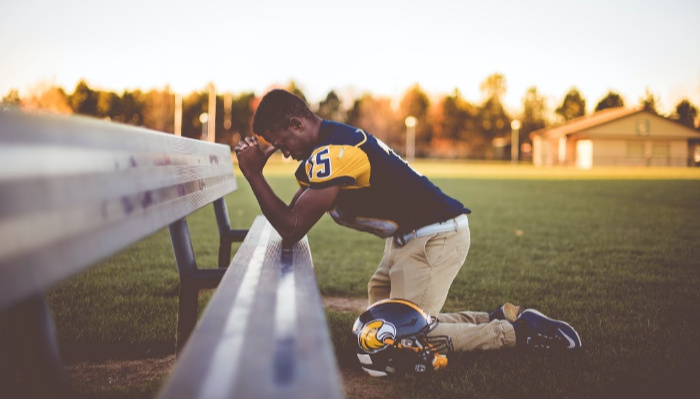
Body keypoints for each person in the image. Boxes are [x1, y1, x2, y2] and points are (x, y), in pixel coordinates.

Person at [234, 89, 581, 355]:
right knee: (381, 329)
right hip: (409, 239)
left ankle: (519, 334)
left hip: (434, 237)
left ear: (297, 124)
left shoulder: (334, 151)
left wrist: (253, 175)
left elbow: (292, 227)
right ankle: (497, 318)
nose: (285, 152)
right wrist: (258, 173)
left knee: (405, 337)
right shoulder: (328, 144)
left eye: (283, 143)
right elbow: (294, 215)